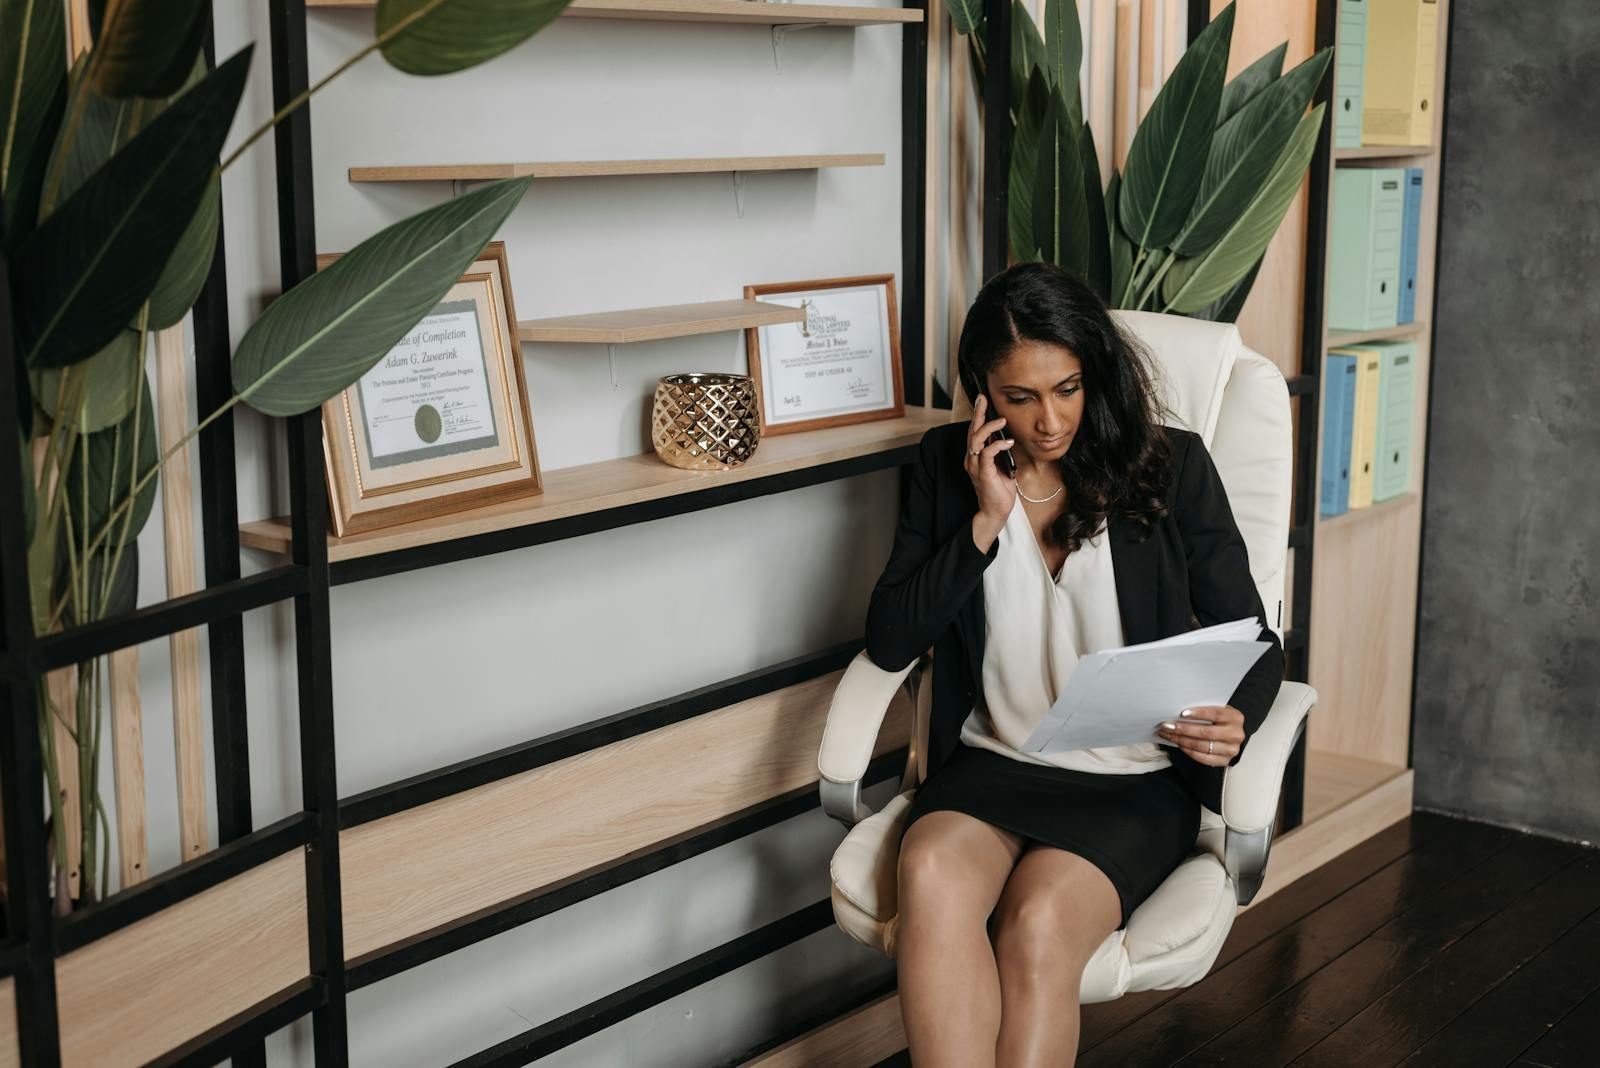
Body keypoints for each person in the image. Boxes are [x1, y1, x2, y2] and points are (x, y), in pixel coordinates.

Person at [863, 261, 1284, 1066]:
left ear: (1096, 373)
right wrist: (984, 524)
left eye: (1066, 388)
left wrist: (1237, 721)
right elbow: (889, 639)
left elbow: (1256, 641)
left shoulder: (1172, 466)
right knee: (931, 874)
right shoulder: (947, 469)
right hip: (993, 763)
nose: (1049, 421)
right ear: (983, 392)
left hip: (1130, 782)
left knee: (1038, 925)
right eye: (1020, 398)